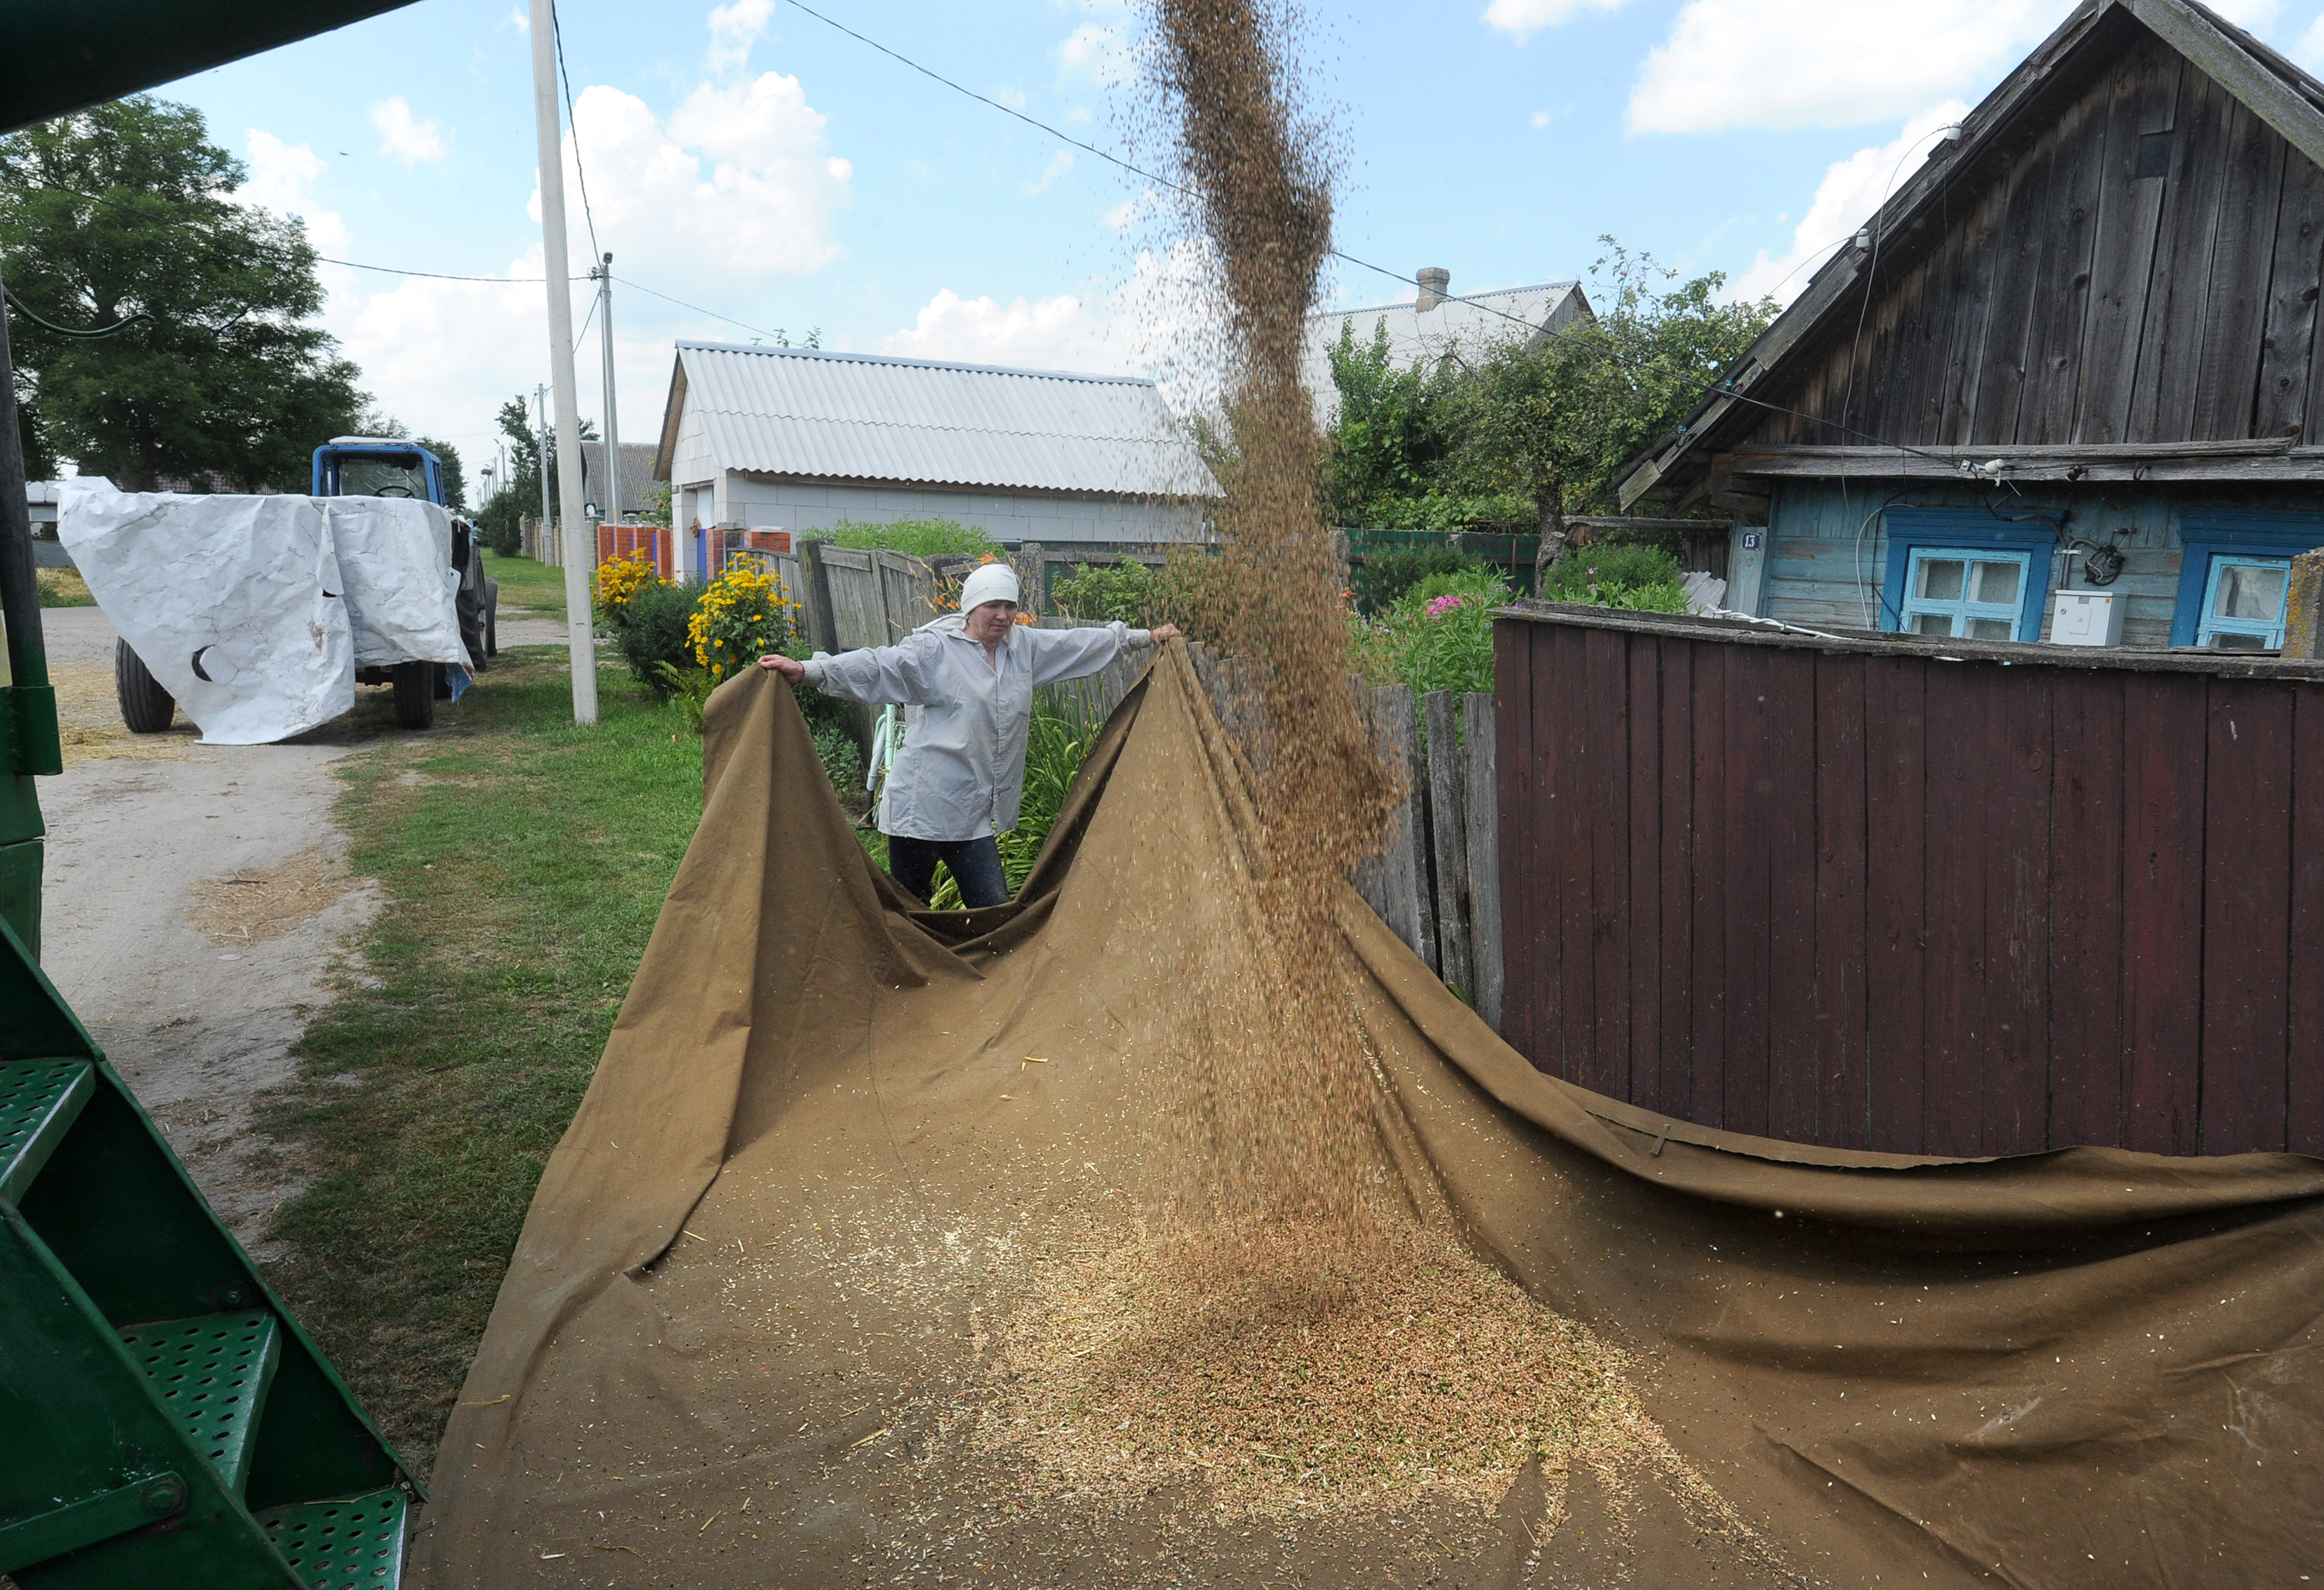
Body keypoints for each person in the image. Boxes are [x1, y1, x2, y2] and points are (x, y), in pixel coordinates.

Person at [760, 562, 1179, 908]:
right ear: (971, 608)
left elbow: (1080, 644)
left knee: (993, 912)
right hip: (921, 811)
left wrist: (1145, 639)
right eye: (992, 605)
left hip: (974, 815)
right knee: (910, 913)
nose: (1003, 615)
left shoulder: (1023, 648)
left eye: (1010, 606)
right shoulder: (934, 650)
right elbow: (876, 666)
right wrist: (809, 671)